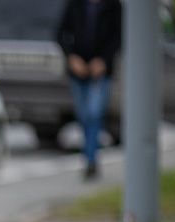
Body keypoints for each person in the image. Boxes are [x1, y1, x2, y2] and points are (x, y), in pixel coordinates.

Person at [56, 0, 123, 179]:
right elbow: (60, 33)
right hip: (78, 71)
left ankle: (90, 160)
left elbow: (119, 37)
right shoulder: (75, 4)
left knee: (94, 113)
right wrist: (72, 58)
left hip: (100, 72)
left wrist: (103, 61)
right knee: (84, 115)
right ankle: (90, 154)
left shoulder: (113, 6)